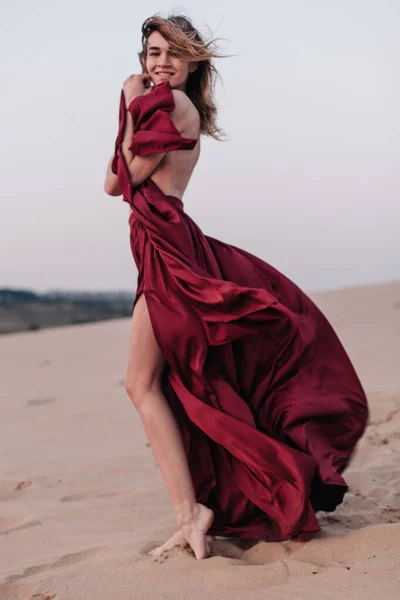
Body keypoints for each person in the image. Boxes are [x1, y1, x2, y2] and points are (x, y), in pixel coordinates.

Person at [104, 14, 368, 560]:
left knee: (142, 383)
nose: (161, 63)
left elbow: (123, 180)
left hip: (171, 252)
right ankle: (192, 509)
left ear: (194, 61)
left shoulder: (176, 107)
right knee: (151, 383)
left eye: (173, 53)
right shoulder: (152, 105)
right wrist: (127, 106)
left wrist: (128, 102)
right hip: (159, 245)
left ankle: (192, 511)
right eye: (152, 53)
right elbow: (114, 180)